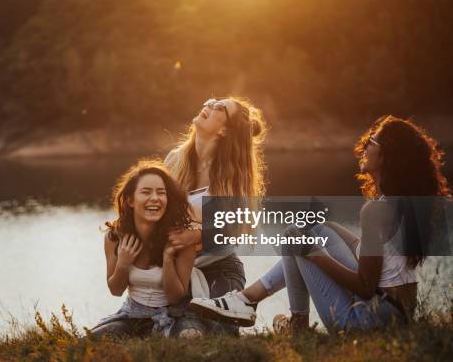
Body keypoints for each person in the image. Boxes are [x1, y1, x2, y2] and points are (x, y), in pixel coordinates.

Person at [190, 115, 450, 332]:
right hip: (396, 315)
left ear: (386, 156)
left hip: (366, 320)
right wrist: (327, 228)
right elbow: (374, 257)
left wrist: (316, 255)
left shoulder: (377, 211)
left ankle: (282, 317)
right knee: (311, 230)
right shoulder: (400, 203)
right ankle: (254, 303)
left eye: (373, 140)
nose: (365, 145)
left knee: (295, 236)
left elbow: (366, 285)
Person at [164, 97, 267, 335]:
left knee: (218, 333)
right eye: (211, 101)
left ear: (224, 130)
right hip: (177, 271)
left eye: (219, 107)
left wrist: (196, 235)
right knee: (182, 330)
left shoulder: (233, 176)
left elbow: (235, 229)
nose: (208, 105)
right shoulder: (175, 160)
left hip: (220, 269)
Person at [91, 160, 196, 338]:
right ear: (131, 200)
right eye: (146, 192)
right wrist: (123, 263)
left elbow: (175, 298)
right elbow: (116, 290)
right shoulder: (115, 237)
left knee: (190, 336)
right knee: (93, 340)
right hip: (133, 314)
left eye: (161, 193)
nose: (155, 198)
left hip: (177, 314)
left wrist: (168, 259)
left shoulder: (181, 239)